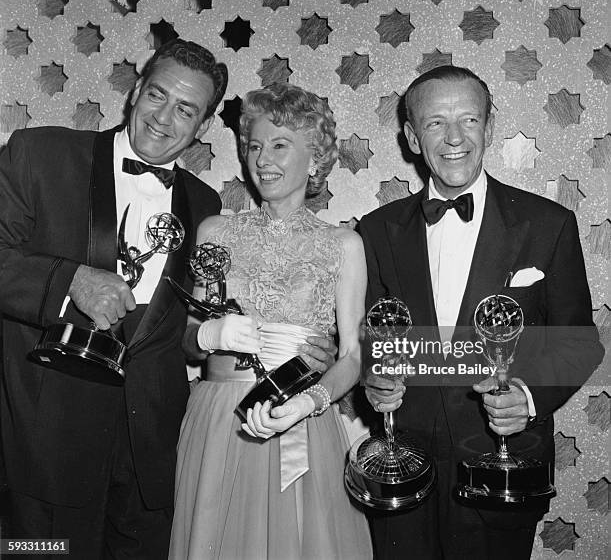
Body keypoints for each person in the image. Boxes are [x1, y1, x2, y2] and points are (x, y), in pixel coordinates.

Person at [0, 39, 334, 559]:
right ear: (135, 92)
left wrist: (300, 355)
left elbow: (191, 333)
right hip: (46, 450)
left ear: (202, 127)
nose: (164, 118)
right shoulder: (40, 153)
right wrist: (69, 282)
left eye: (186, 110)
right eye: (157, 96)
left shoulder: (205, 207)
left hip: (152, 458)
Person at [360, 65, 604, 559]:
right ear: (411, 136)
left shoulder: (548, 223)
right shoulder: (376, 229)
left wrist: (531, 398)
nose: (454, 137)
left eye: (469, 120)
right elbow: (371, 337)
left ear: (489, 128)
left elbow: (580, 340)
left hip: (505, 465)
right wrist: (373, 379)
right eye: (434, 123)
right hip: (403, 468)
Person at [169, 83, 372, 559]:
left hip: (298, 415)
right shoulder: (216, 231)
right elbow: (186, 343)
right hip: (218, 415)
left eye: (280, 145)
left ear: (316, 158)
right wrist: (208, 332)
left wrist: (312, 402)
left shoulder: (344, 244)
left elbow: (353, 356)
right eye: (255, 146)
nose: (263, 160)